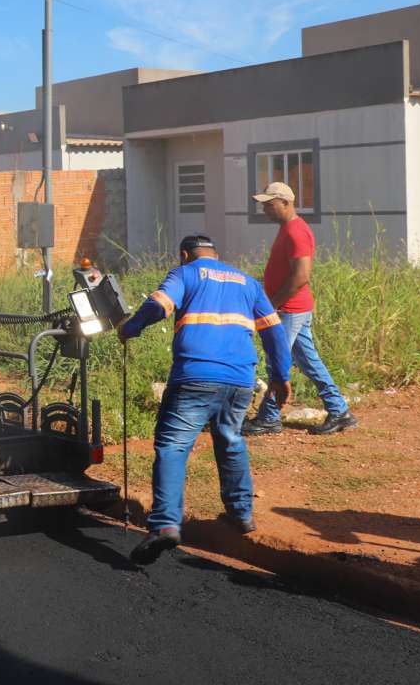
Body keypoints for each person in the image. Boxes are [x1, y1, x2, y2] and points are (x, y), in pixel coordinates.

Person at [118, 234, 292, 565]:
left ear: (185, 255)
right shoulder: (248, 282)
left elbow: (159, 306)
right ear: (215, 254)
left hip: (195, 377)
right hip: (240, 380)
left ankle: (165, 524)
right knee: (230, 439)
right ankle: (241, 514)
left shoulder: (185, 273)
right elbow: (274, 330)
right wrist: (281, 376)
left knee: (173, 446)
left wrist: (131, 328)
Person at [242, 182, 358, 437]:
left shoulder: (296, 231)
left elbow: (301, 276)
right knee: (308, 362)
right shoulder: (287, 229)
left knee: (277, 362)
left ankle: (269, 418)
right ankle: (339, 411)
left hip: (290, 310)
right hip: (292, 309)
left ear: (285, 203)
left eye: (269, 204)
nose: (265, 209)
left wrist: (273, 305)